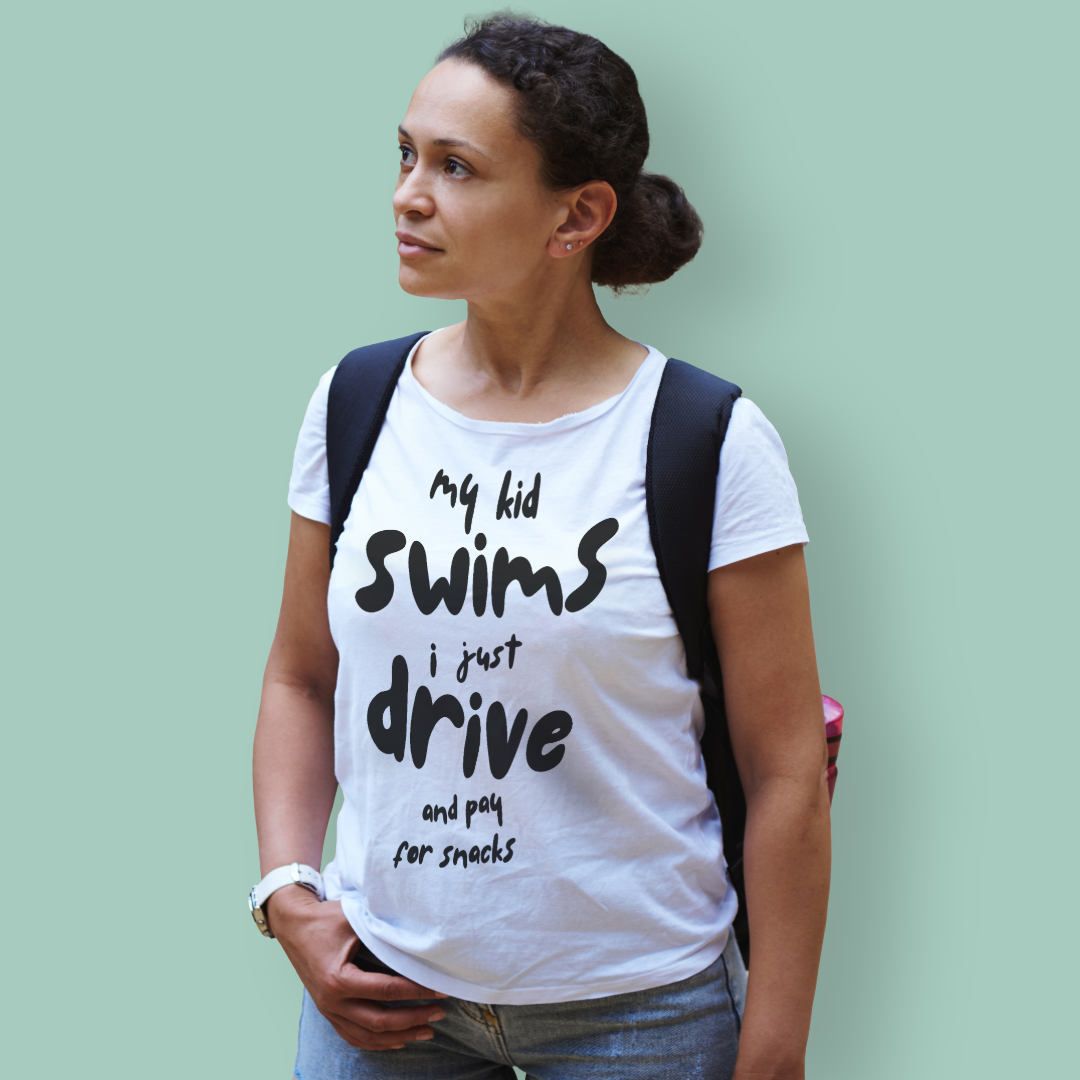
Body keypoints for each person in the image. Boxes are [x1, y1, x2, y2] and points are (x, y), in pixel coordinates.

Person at [252, 15, 830, 1080]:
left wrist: (776, 1053)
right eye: (406, 155)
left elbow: (787, 766)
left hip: (641, 1013)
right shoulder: (356, 403)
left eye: (458, 168)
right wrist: (289, 893)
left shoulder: (703, 438)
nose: (408, 195)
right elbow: (300, 677)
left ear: (579, 216)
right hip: (381, 1002)